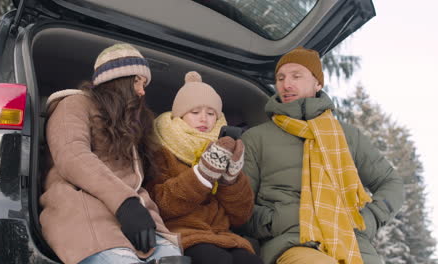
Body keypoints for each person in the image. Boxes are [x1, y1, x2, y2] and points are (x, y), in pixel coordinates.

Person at [240, 47, 404, 264]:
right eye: (280, 78)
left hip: (351, 244)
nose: (286, 84)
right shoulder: (256, 138)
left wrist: (370, 219)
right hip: (292, 243)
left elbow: (391, 182)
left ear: (318, 83)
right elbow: (239, 205)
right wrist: (274, 221)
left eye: (296, 76)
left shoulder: (347, 135)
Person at [39, 43, 190, 264]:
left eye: (144, 84)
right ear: (119, 80)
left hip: (139, 222)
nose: (142, 91)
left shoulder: (131, 126)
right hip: (85, 217)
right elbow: (72, 156)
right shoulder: (74, 104)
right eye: (137, 81)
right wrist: (126, 204)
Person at [146, 71, 263, 264]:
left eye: (210, 113)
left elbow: (241, 216)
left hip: (222, 235)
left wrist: (231, 179)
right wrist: (202, 175)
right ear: (180, 115)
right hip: (181, 233)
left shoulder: (224, 148)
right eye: (195, 112)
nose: (204, 119)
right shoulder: (161, 149)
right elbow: (159, 205)